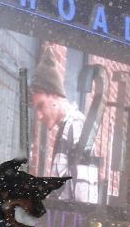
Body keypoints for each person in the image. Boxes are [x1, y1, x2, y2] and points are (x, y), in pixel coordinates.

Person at [30, 51, 93, 202]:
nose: (39, 116)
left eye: (41, 106)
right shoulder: (67, 127)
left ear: (56, 96)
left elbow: (82, 199)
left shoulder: (75, 126)